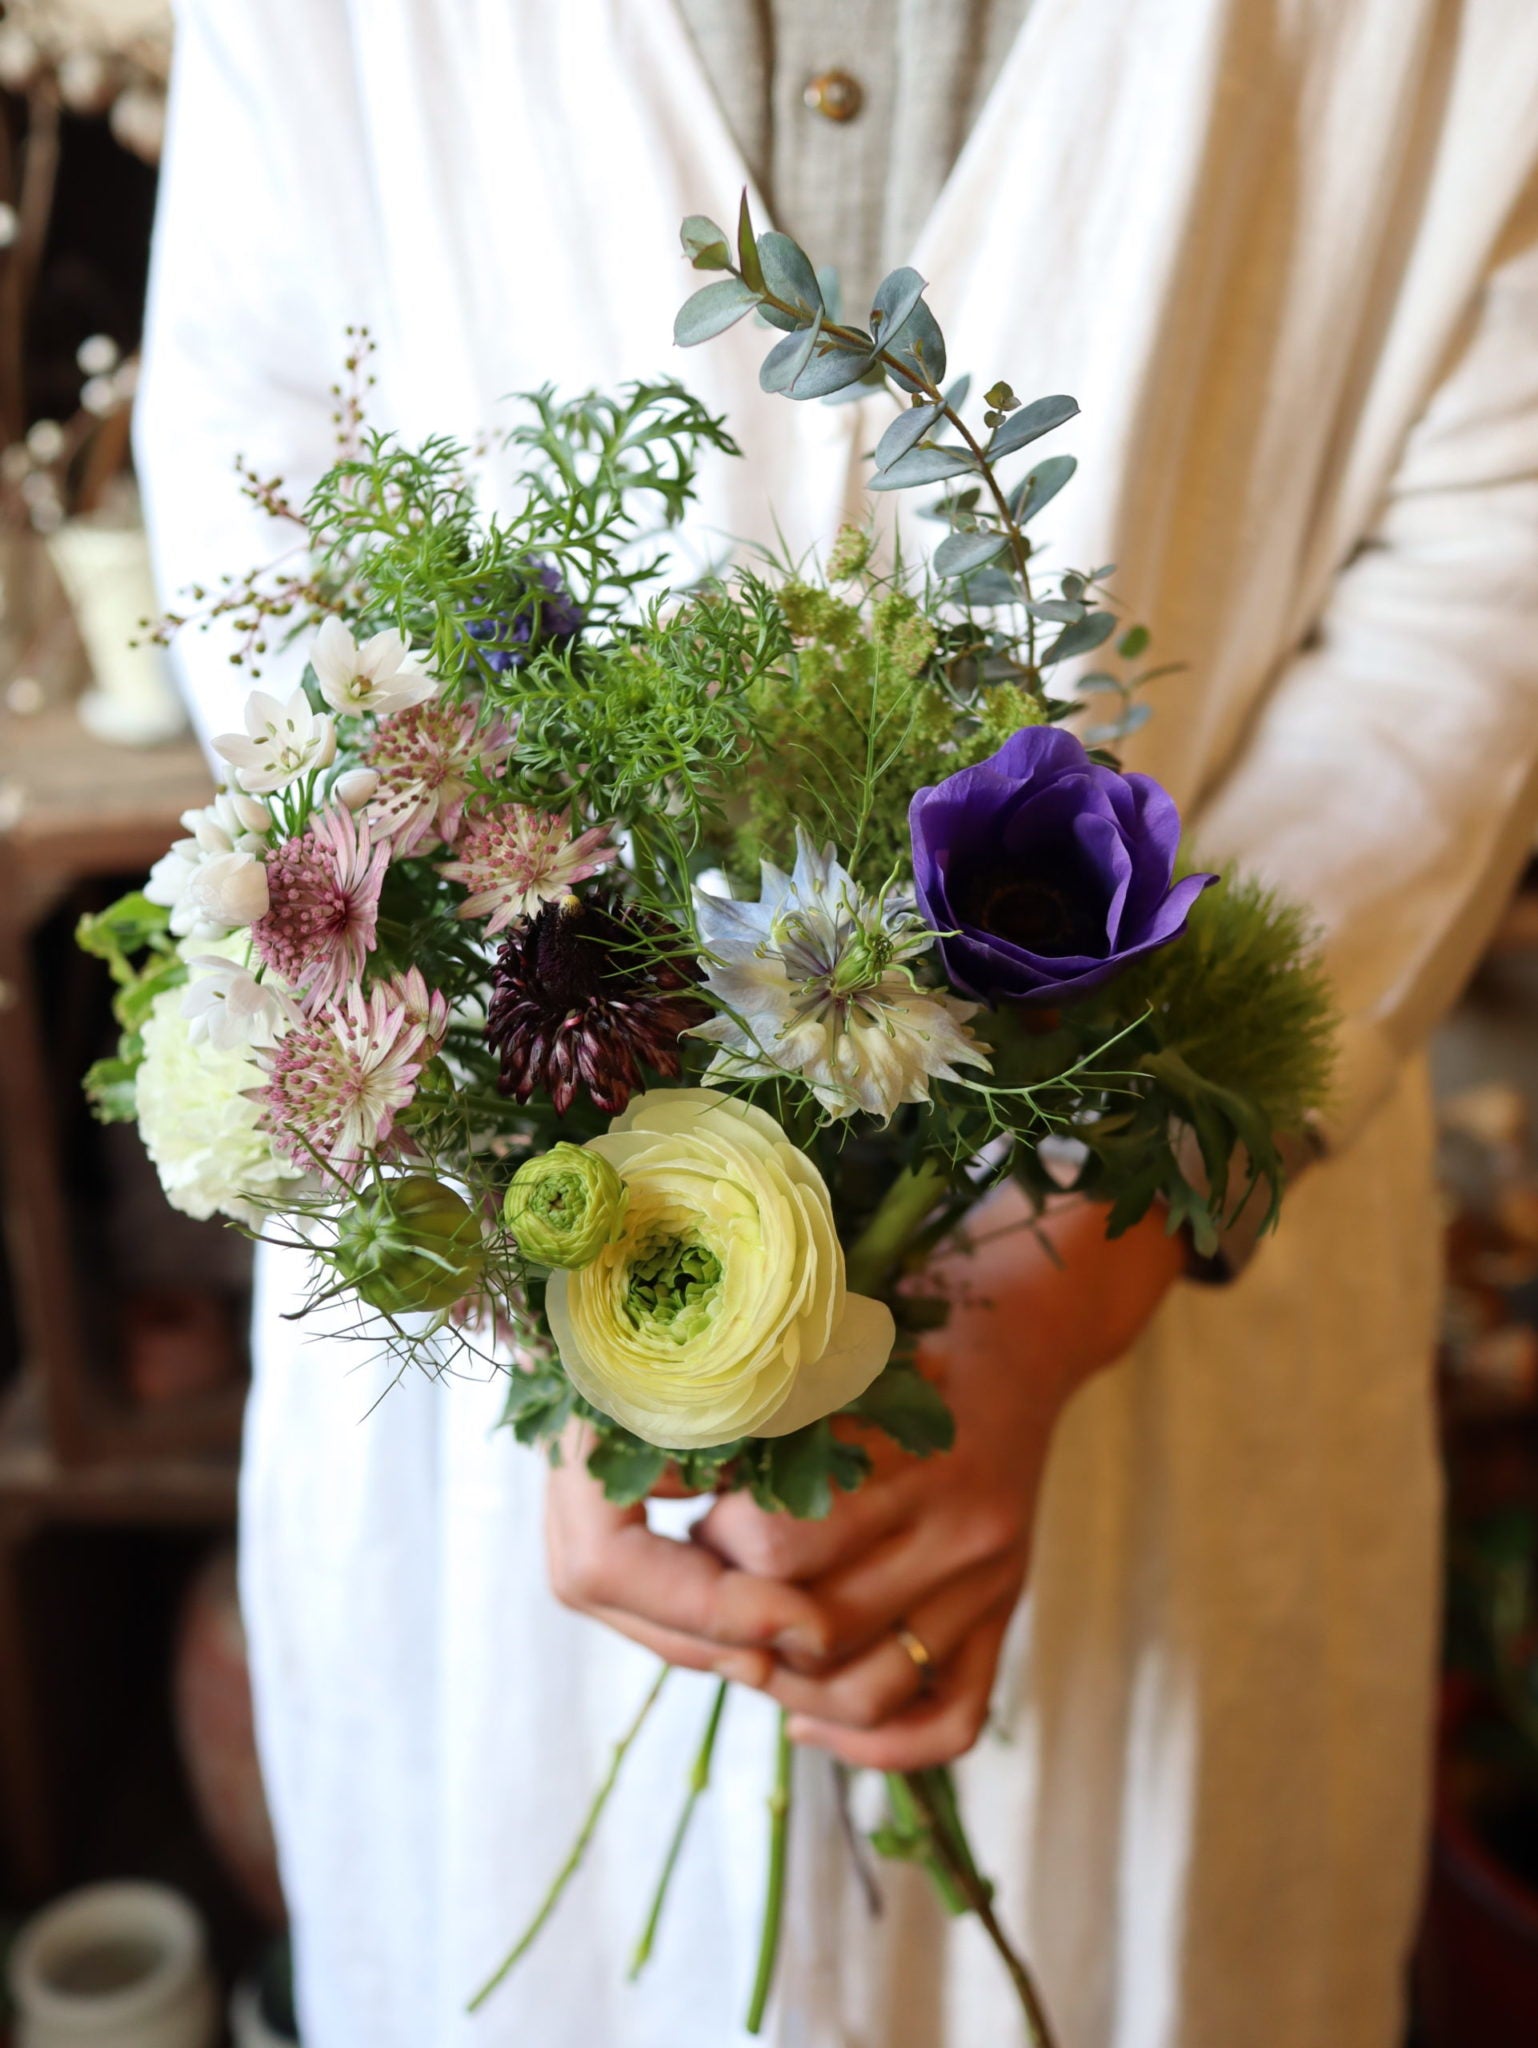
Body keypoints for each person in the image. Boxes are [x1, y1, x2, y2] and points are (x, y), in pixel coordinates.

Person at [135, 3, 1538, 2043]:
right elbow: (261, 483)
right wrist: (560, 1265)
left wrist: (1069, 1253)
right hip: (514, 1302)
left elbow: (1486, 569)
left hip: (1171, 1286)